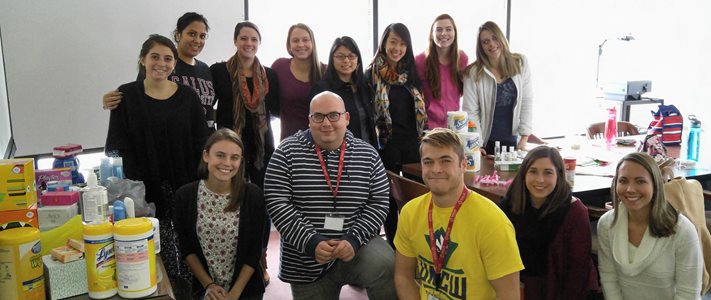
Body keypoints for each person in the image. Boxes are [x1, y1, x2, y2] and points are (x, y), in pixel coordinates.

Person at [264, 91, 395, 299]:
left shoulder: (368, 154)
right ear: (309, 120)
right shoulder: (285, 153)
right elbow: (277, 203)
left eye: (334, 115)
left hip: (356, 245)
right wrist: (310, 241)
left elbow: (378, 203)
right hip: (305, 255)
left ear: (346, 118)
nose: (326, 123)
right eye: (318, 116)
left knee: (387, 264)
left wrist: (354, 239)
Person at [104, 34, 208, 293]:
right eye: (154, 57)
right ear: (142, 60)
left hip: (184, 184)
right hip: (143, 190)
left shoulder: (188, 96)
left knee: (186, 242)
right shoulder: (126, 95)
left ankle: (189, 291)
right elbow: (118, 146)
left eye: (168, 58)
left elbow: (201, 143)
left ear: (174, 64)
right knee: (153, 250)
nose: (161, 63)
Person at [394, 128, 523, 300]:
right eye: (428, 162)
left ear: (464, 164)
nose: (436, 169)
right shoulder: (410, 212)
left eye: (445, 160)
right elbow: (403, 276)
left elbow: (508, 295)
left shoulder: (493, 222)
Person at [211, 21, 279, 287]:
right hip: (230, 151)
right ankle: (233, 260)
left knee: (263, 206)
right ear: (235, 40)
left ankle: (260, 258)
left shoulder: (269, 75)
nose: (248, 43)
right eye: (244, 38)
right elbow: (205, 104)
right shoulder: (219, 72)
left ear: (259, 43)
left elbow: (277, 110)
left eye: (254, 39)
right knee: (232, 206)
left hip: (263, 149)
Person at [174, 128, 266, 300]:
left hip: (246, 290)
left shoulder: (253, 196)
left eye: (234, 158)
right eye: (220, 155)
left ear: (241, 161)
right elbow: (187, 249)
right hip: (205, 290)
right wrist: (209, 285)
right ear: (206, 156)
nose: (227, 163)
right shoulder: (185, 196)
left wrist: (234, 294)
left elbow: (254, 252)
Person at [598, 152, 702, 299]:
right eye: (623, 181)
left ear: (655, 185)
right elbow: (609, 279)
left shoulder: (681, 230)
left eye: (640, 181)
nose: (630, 189)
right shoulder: (607, 224)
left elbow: (688, 294)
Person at [499, 146, 598, 299]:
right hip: (516, 286)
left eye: (548, 173)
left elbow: (577, 271)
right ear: (524, 174)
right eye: (533, 171)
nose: (540, 179)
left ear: (558, 175)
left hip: (558, 289)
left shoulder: (575, 212)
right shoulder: (509, 204)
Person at [365, 22, 427, 249]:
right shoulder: (370, 75)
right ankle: (394, 247)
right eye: (393, 42)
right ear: (384, 42)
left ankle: (418, 244)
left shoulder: (410, 74)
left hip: (414, 144)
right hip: (386, 144)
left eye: (402, 43)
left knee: (418, 197)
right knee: (389, 199)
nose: (397, 48)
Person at [103, 12, 217, 134]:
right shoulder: (161, 68)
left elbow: (207, 108)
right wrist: (111, 102)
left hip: (206, 142)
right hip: (175, 141)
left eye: (202, 36)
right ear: (178, 35)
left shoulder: (205, 69)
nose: (197, 40)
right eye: (192, 34)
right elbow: (138, 102)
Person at [462, 21, 532, 155]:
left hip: (515, 143)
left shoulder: (521, 62)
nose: (492, 44)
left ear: (501, 38)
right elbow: (471, 112)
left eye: (495, 38)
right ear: (481, 47)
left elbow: (526, 101)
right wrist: (477, 145)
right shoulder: (473, 72)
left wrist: (524, 137)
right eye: (485, 42)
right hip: (486, 144)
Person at [310, 36, 376, 147]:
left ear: (358, 59)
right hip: (337, 154)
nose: (346, 60)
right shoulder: (322, 90)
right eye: (340, 56)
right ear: (332, 59)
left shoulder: (365, 86)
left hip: (367, 151)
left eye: (351, 56)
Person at [271, 23, 326, 139]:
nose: (301, 44)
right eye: (295, 40)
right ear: (289, 45)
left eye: (305, 40)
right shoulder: (279, 67)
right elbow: (271, 104)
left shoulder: (325, 71)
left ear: (312, 43)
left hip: (321, 141)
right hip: (289, 142)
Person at [414, 14, 469, 129]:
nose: (443, 33)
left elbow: (466, 91)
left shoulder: (462, 59)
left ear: (455, 33)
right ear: (432, 34)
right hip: (427, 128)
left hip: (454, 126)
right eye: (439, 30)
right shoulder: (419, 61)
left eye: (448, 29)